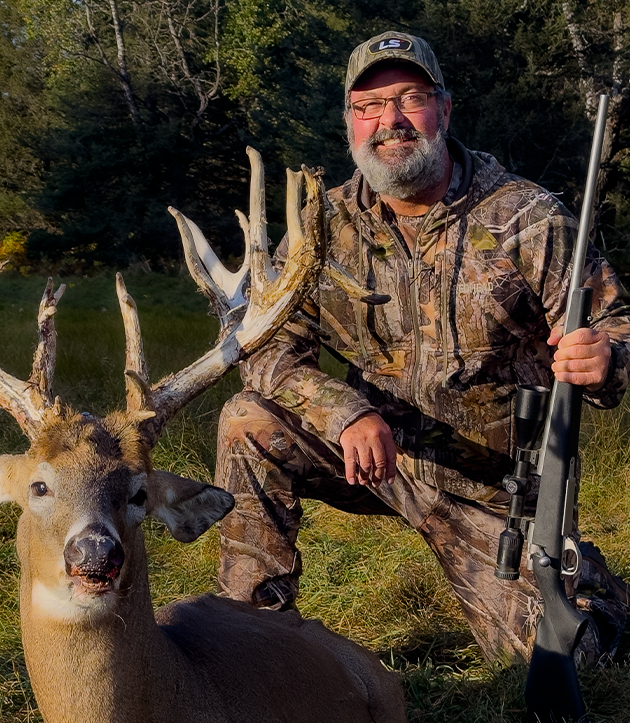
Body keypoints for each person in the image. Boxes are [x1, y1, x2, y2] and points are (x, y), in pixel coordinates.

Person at [215, 30, 630, 665]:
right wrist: (341, 409)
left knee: (574, 655)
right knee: (247, 420)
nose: (390, 121)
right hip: (374, 461)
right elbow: (265, 351)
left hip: (493, 487)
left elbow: (619, 322)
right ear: (350, 122)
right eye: (369, 106)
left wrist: (606, 356)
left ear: (444, 108)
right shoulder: (320, 230)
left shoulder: (524, 217)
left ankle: (595, 599)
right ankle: (249, 640)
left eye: (410, 98)